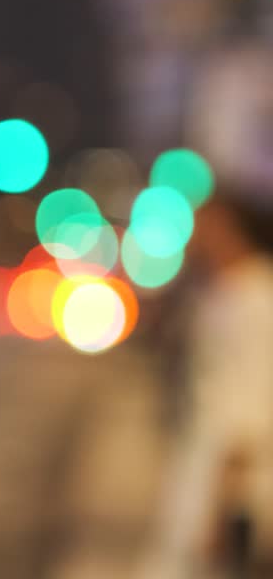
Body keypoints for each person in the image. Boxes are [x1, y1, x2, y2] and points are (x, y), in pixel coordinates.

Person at [144, 189, 273, 578]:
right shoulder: (224, 290)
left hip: (229, 477)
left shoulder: (257, 297)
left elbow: (254, 400)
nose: (195, 236)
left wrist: (222, 503)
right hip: (206, 461)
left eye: (205, 225)